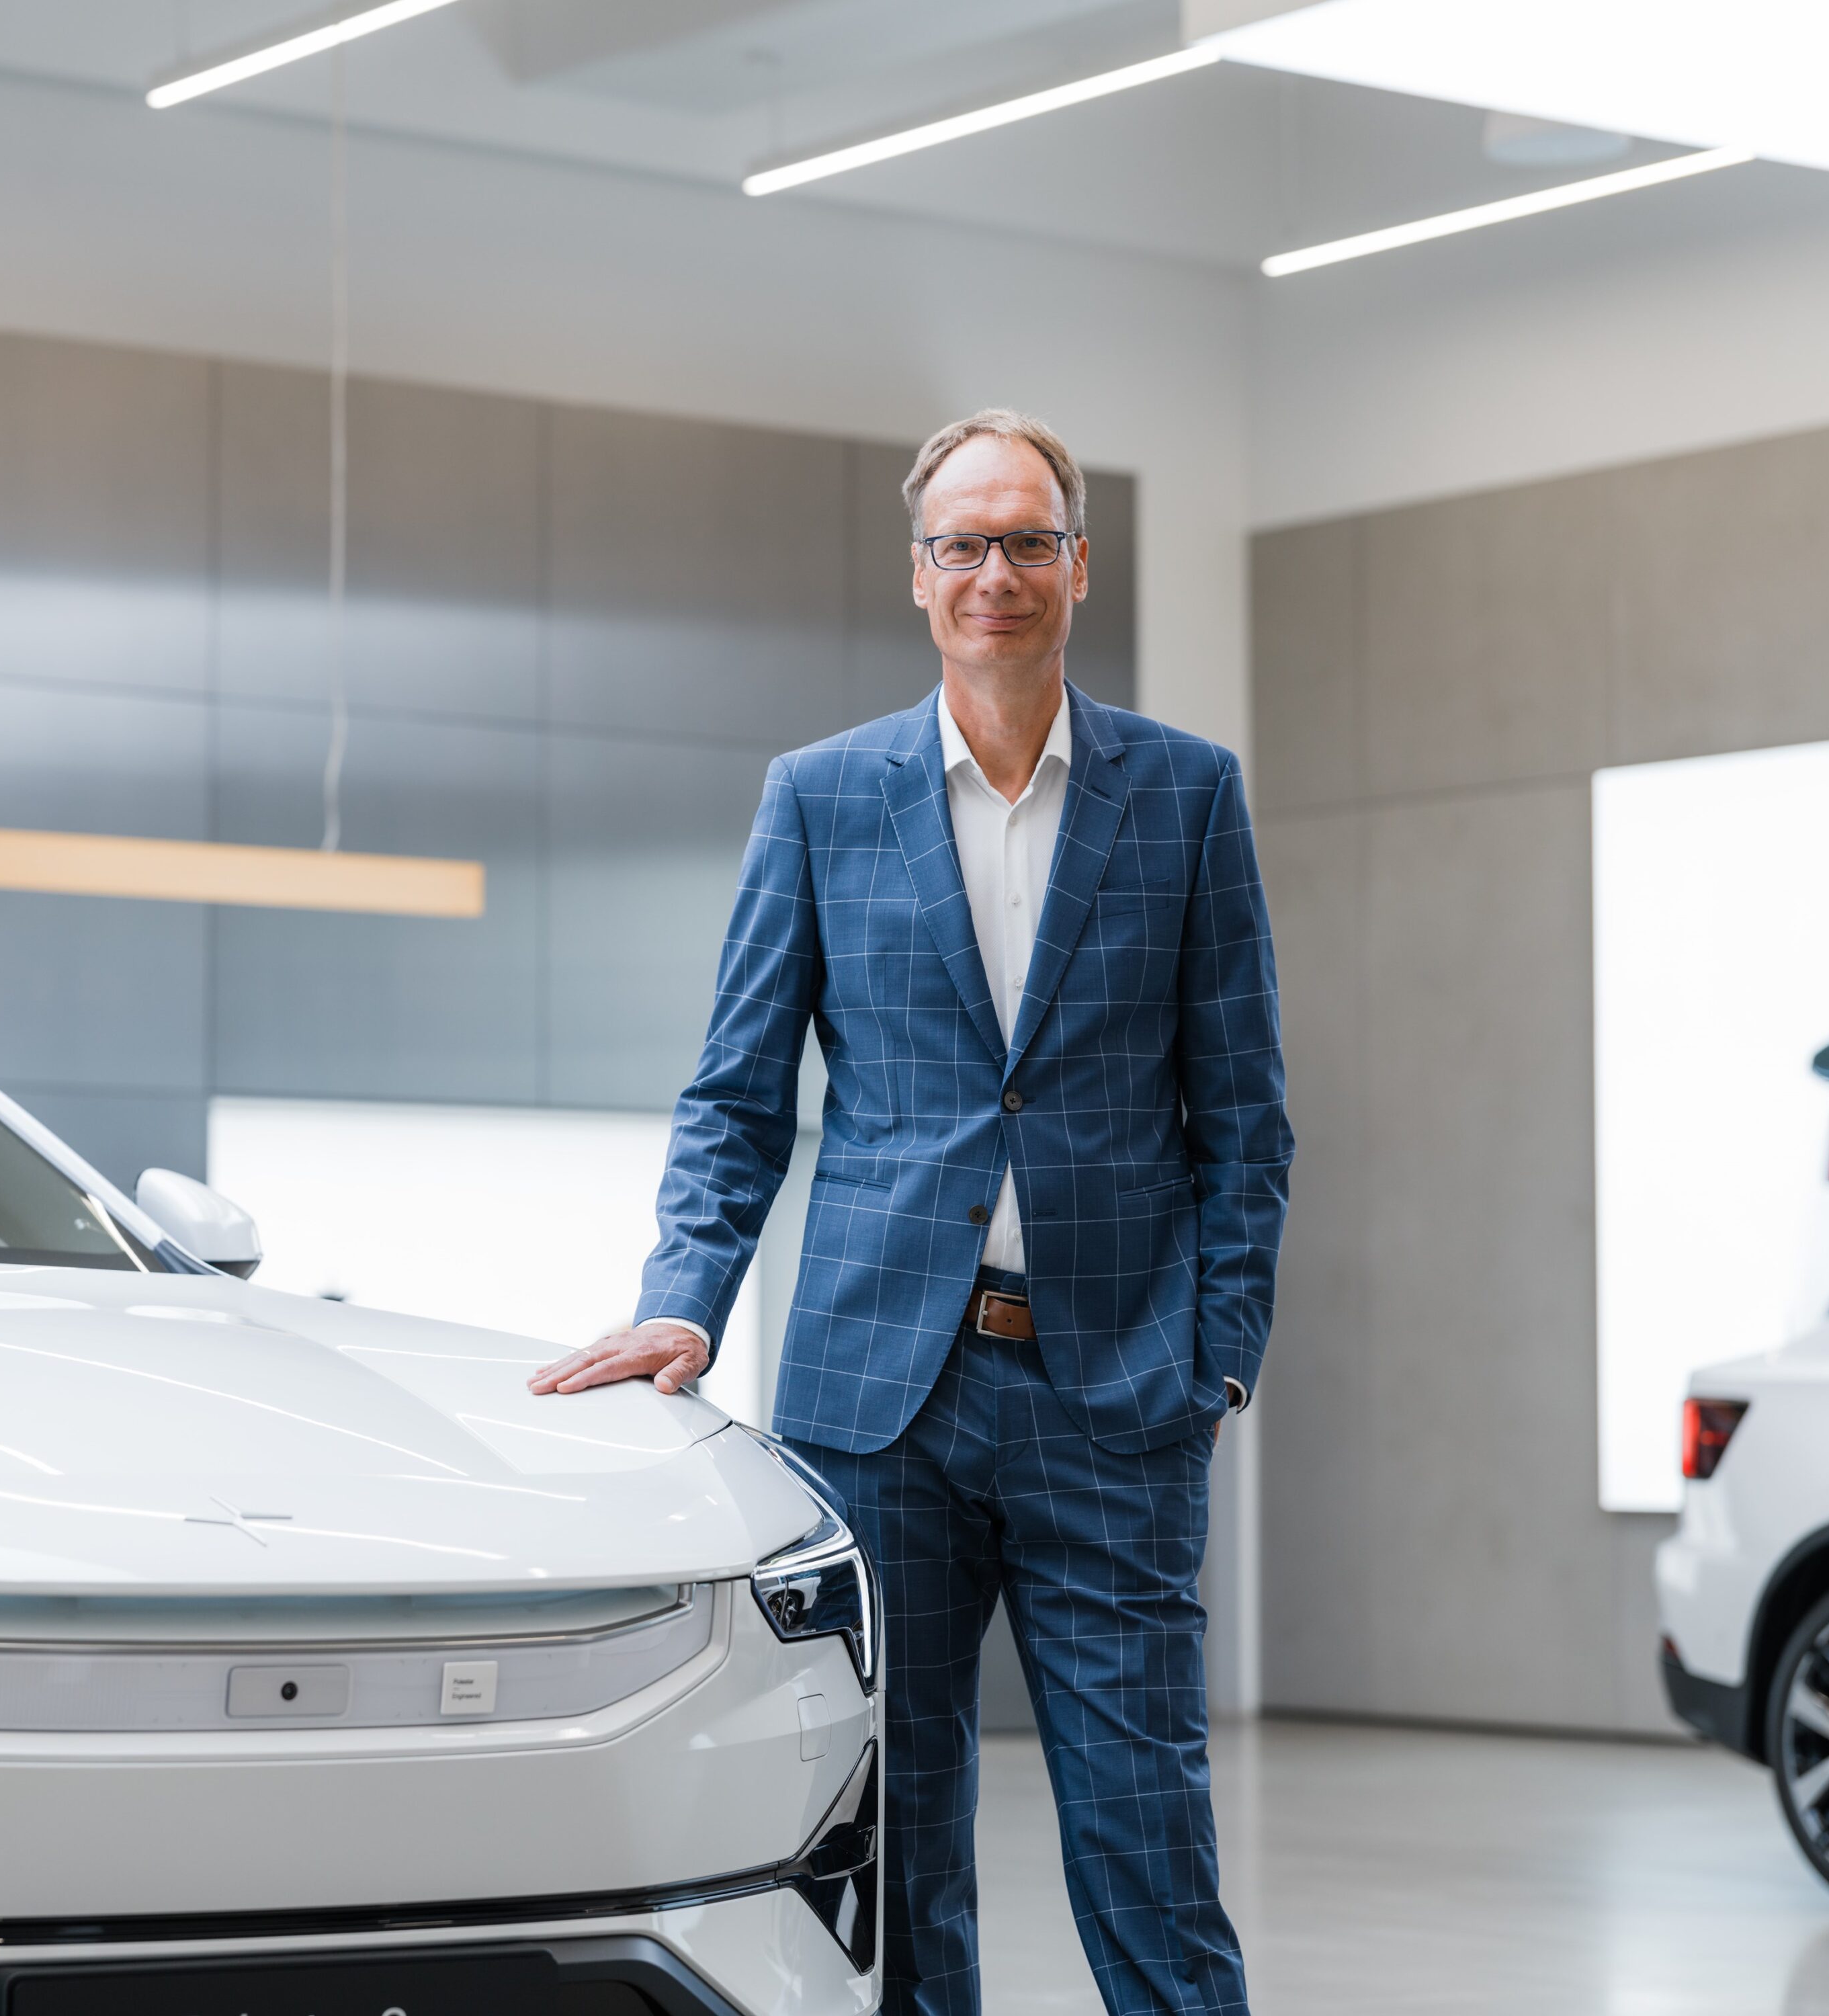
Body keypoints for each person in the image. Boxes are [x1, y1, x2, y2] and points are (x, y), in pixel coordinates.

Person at [529, 409, 1293, 2015]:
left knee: (1149, 1851)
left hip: (1115, 1397)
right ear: (918, 574)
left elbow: (1243, 1116)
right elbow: (738, 1096)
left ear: (1077, 565)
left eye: (1025, 539)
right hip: (880, 1407)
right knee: (891, 1856)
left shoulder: (1185, 798)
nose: (993, 571)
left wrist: (1214, 1357)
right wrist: (685, 1299)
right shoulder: (819, 799)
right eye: (962, 543)